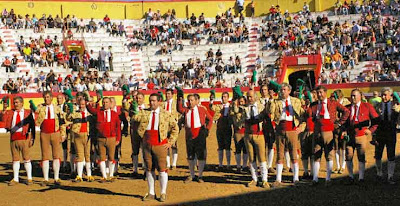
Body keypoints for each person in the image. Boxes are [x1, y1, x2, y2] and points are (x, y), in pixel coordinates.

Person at [131, 93, 179, 202]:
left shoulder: (166, 114)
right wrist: (133, 107)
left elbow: (175, 128)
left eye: (154, 101)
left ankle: (163, 192)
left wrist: (170, 142)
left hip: (161, 145)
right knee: (149, 169)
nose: (152, 103)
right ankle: (151, 192)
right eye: (150, 101)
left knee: (162, 170)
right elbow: (134, 117)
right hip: (147, 145)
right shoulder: (144, 112)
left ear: (159, 102)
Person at [308, 86, 349, 186]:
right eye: (318, 93)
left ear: (325, 93)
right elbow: (309, 116)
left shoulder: (333, 103)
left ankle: (328, 179)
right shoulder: (313, 105)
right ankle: (315, 178)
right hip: (317, 131)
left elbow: (346, 111)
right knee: (316, 154)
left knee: (329, 155)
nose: (319, 95)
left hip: (329, 131)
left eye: (321, 92)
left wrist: (339, 123)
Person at [269, 83, 306, 187]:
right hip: (280, 129)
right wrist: (272, 99)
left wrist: (301, 127)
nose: (282, 91)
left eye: (284, 89)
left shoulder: (296, 101)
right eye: (281, 90)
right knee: (280, 155)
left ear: (289, 91)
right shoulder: (276, 102)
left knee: (293, 154)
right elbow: (270, 112)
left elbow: (303, 117)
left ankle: (296, 178)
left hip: (292, 129)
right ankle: (278, 179)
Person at [344, 89, 379, 184]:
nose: (352, 98)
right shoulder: (347, 108)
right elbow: (343, 122)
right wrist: (343, 131)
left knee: (361, 156)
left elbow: (376, 120)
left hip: (361, 135)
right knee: (348, 155)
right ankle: (351, 177)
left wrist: (371, 130)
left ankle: (361, 178)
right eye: (351, 96)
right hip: (350, 136)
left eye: (354, 96)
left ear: (360, 96)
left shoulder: (367, 106)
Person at [177, 93, 213, 183]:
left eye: (192, 100)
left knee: (201, 155)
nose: (190, 102)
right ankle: (192, 174)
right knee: (190, 156)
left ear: (196, 101)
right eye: (189, 100)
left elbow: (210, 119)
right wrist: (179, 98)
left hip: (200, 135)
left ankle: (200, 175)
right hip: (189, 135)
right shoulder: (186, 110)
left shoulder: (201, 109)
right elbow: (179, 109)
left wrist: (207, 129)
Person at [34, 91, 67, 186]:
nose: (46, 99)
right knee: (45, 156)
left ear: (51, 98)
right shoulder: (40, 107)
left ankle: (56, 177)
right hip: (44, 134)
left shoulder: (57, 108)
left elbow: (62, 122)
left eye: (48, 97)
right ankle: (45, 178)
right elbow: (35, 112)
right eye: (45, 97)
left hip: (55, 133)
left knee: (56, 156)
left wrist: (63, 134)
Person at [1, 96, 35, 186]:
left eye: (17, 102)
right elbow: (3, 118)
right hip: (14, 138)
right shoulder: (10, 112)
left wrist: (32, 138)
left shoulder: (28, 112)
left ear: (22, 103)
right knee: (15, 159)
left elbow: (32, 126)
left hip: (24, 138)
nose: (15, 104)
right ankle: (15, 178)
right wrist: (4, 108)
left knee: (26, 158)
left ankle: (29, 178)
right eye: (14, 103)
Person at [87, 97, 121, 182]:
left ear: (110, 104)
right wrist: (87, 103)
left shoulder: (114, 114)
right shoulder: (99, 112)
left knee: (111, 157)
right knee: (102, 157)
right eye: (104, 102)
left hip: (111, 138)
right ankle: (104, 176)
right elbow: (91, 110)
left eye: (107, 102)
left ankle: (111, 174)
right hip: (101, 138)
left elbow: (118, 127)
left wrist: (118, 138)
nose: (105, 104)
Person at [242, 90, 269, 188]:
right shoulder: (244, 108)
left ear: (256, 97)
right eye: (248, 97)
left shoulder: (261, 107)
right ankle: (254, 179)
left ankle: (264, 179)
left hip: (259, 134)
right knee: (251, 158)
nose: (249, 99)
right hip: (248, 135)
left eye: (251, 96)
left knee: (262, 158)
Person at [373, 87, 400, 184]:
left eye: (385, 95)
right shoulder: (377, 106)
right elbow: (374, 120)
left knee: (391, 155)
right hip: (380, 133)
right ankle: (379, 173)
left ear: (390, 96)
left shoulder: (396, 106)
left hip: (391, 133)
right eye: (382, 95)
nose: (383, 97)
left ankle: (390, 176)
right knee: (378, 155)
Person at [66, 99, 94, 182]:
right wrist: (70, 111)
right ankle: (79, 175)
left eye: (83, 104)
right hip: (78, 135)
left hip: (87, 135)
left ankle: (89, 175)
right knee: (80, 155)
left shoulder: (89, 113)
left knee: (87, 155)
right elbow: (68, 118)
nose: (82, 106)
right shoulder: (75, 113)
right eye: (80, 104)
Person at [210, 92, 233, 171]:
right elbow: (211, 107)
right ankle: (220, 164)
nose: (224, 98)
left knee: (227, 146)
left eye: (225, 97)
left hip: (227, 128)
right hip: (220, 128)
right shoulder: (218, 106)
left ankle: (228, 165)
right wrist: (211, 100)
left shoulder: (231, 106)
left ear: (228, 98)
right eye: (223, 97)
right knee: (220, 147)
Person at [129, 92, 147, 177]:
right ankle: (135, 169)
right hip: (135, 131)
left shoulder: (147, 108)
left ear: (143, 99)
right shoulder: (132, 108)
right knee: (135, 151)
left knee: (145, 151)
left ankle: (146, 169)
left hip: (144, 132)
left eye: (140, 98)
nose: (138, 100)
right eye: (137, 98)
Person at [230, 95, 249, 173]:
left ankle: (244, 166)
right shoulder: (235, 110)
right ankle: (238, 166)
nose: (241, 103)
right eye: (239, 101)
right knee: (238, 149)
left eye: (242, 101)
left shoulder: (247, 109)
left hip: (246, 132)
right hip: (238, 132)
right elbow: (233, 112)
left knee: (245, 149)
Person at [163, 89, 180, 170]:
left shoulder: (176, 103)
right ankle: (168, 164)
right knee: (165, 144)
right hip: (165, 126)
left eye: (169, 94)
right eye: (166, 94)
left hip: (173, 125)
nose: (167, 95)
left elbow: (180, 112)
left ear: (172, 94)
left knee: (174, 144)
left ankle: (174, 164)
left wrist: (176, 121)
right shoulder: (163, 103)